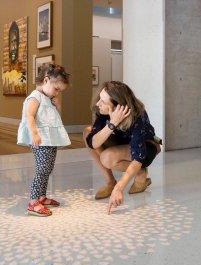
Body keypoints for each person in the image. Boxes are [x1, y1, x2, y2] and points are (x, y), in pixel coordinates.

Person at [83, 81, 161, 215]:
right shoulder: (103, 111)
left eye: (102, 101)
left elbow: (138, 156)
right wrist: (112, 123)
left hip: (146, 147)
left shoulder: (138, 115)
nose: (98, 104)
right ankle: (110, 182)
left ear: (117, 106)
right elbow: (92, 142)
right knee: (87, 133)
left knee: (107, 158)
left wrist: (120, 188)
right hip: (124, 142)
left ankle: (141, 173)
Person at [17, 64, 71, 217]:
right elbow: (29, 116)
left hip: (49, 139)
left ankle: (41, 197)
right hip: (40, 140)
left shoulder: (48, 98)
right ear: (46, 80)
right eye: (57, 89)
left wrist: (58, 105)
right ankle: (33, 202)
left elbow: (54, 118)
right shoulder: (35, 97)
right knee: (42, 169)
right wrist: (34, 134)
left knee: (47, 168)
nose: (57, 92)